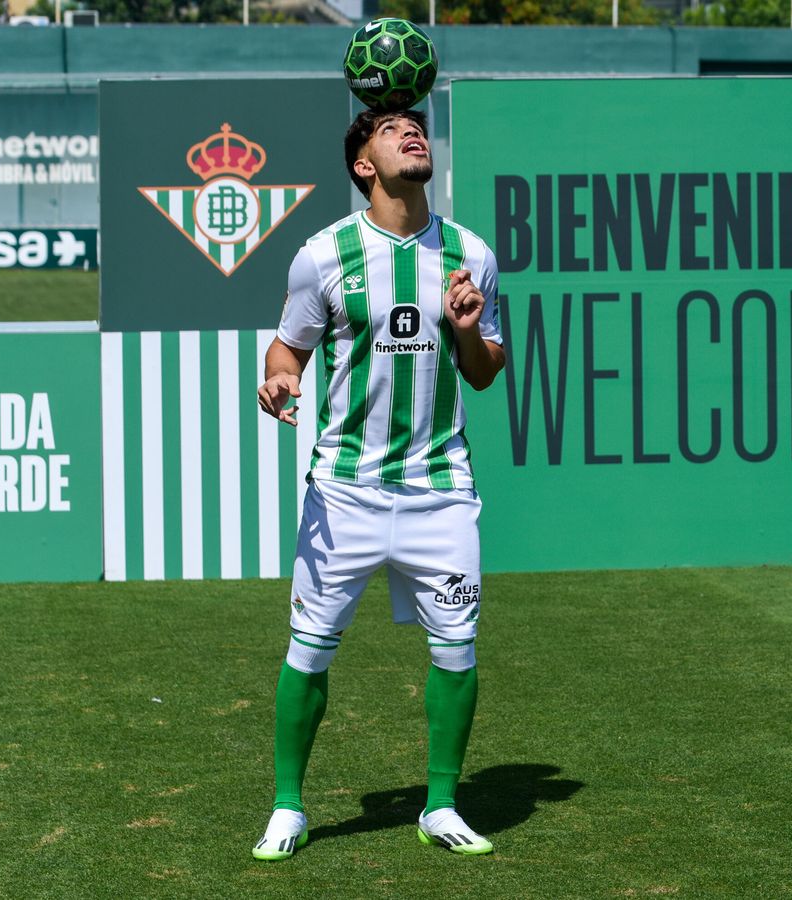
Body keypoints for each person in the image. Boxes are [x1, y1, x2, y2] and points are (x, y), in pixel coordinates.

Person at [251, 106, 505, 860]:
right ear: (364, 164)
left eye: (416, 126)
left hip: (441, 489)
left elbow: (487, 373)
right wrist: (276, 382)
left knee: (456, 648)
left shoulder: (471, 254)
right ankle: (289, 808)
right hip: (346, 491)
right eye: (391, 130)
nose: (412, 134)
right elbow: (287, 350)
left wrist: (465, 325)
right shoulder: (322, 255)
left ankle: (441, 805)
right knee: (309, 649)